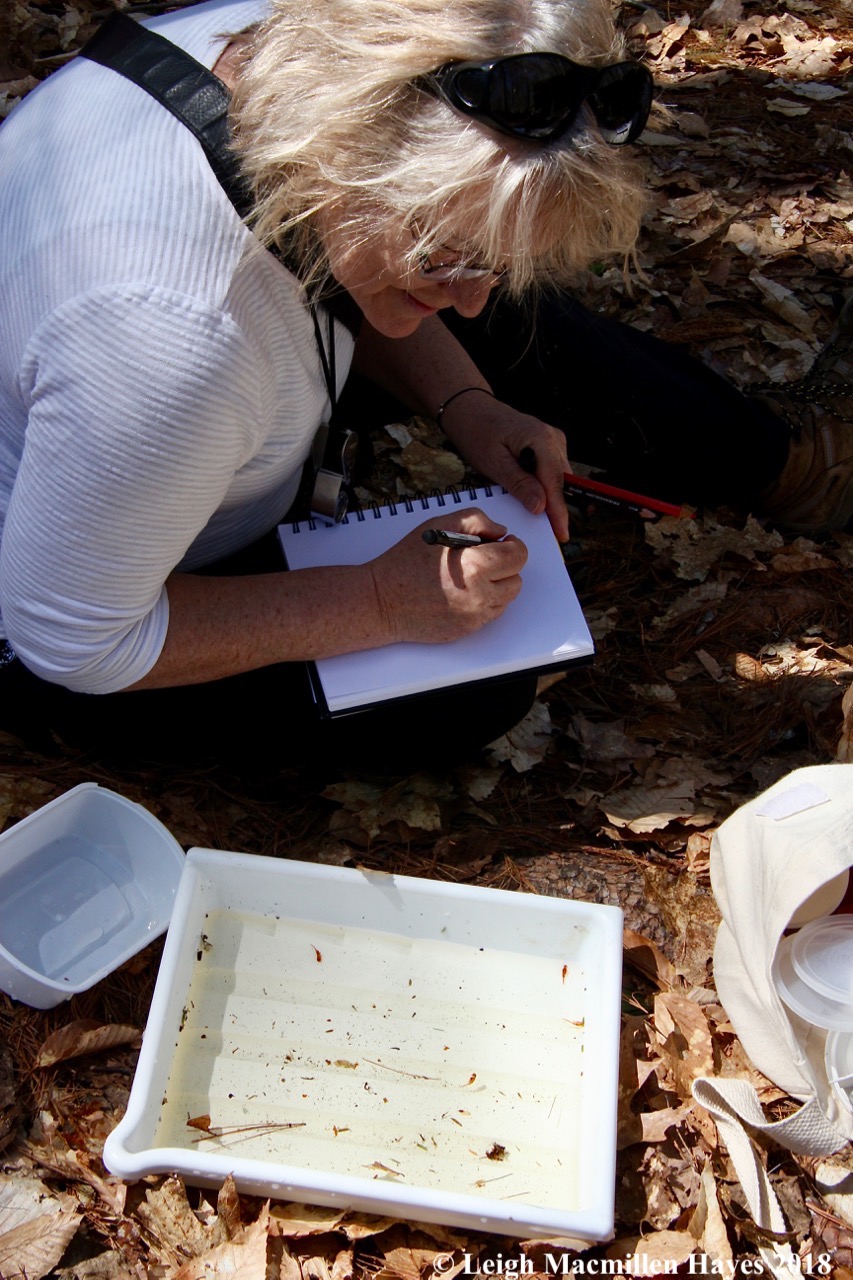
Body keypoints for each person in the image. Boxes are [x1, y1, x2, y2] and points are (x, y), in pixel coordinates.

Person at [0, 0, 849, 773]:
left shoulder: (287, 47)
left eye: (488, 264)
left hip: (167, 425)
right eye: (448, 256)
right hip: (67, 601)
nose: (472, 296)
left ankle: (782, 465)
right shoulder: (172, 342)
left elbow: (336, 262)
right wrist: (375, 602)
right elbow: (72, 641)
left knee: (492, 315)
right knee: (481, 688)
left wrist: (465, 403)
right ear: (345, 153)